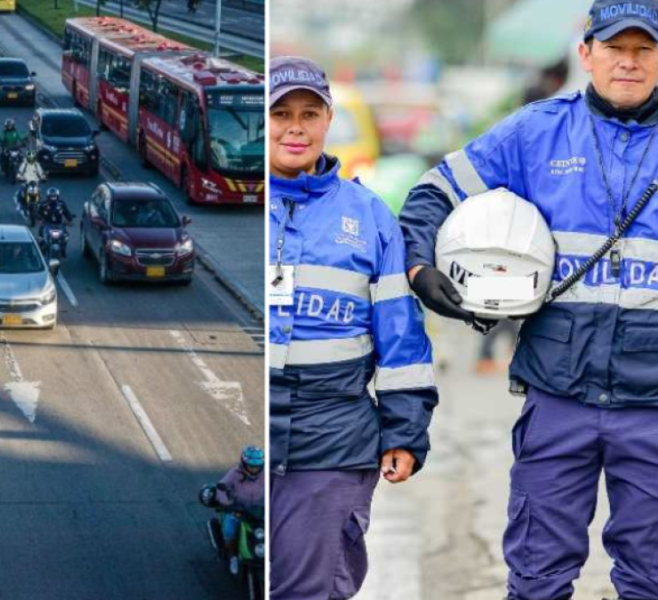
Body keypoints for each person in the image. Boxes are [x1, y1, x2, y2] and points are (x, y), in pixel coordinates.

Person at [398, 2, 658, 599]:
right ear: (586, 53)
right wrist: (420, 270)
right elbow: (432, 192)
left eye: (644, 49)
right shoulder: (535, 132)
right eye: (616, 48)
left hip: (652, 404)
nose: (628, 62)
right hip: (557, 395)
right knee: (537, 577)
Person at [268, 56, 439, 600]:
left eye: (309, 113)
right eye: (281, 113)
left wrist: (405, 432)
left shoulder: (369, 217)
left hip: (335, 442)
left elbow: (401, 340)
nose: (296, 126)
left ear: (327, 119)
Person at [212, 445, 264, 576]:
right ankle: (233, 556)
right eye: (251, 466)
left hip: (259, 513)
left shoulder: (266, 475)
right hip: (237, 511)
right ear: (244, 464)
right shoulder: (234, 473)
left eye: (257, 466)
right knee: (230, 531)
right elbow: (220, 488)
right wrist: (227, 503)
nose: (254, 469)